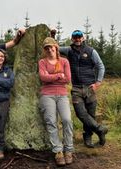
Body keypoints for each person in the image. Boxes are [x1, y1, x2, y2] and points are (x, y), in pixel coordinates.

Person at [58, 30, 108, 148]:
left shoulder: (91, 51)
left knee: (91, 114)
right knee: (81, 114)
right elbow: (54, 47)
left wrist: (98, 83)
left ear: (83, 38)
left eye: (79, 37)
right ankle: (100, 129)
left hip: (90, 87)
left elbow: (101, 66)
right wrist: (53, 34)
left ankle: (88, 137)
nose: (78, 39)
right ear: (72, 39)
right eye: (75, 37)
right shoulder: (68, 50)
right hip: (76, 88)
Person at [38, 37, 74, 166]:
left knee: (67, 120)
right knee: (51, 122)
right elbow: (43, 77)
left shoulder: (64, 61)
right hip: (47, 95)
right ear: (44, 50)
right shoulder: (42, 62)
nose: (49, 49)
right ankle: (58, 151)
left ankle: (68, 150)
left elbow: (68, 79)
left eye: (51, 47)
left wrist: (50, 77)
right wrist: (59, 75)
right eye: (46, 48)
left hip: (62, 95)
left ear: (56, 47)